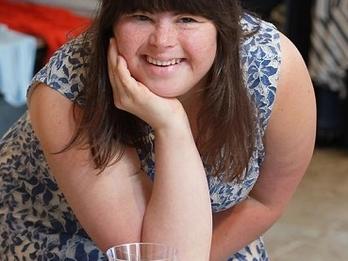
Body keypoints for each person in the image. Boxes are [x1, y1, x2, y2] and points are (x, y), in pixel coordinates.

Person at [0, 0, 316, 260]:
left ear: (222, 25)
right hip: (60, 237)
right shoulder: (67, 91)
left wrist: (200, 254)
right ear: (112, 23)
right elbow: (152, 256)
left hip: (209, 239)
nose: (162, 42)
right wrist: (171, 125)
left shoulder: (271, 67)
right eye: (141, 16)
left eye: (187, 19)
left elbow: (265, 201)